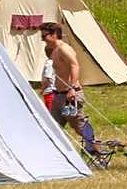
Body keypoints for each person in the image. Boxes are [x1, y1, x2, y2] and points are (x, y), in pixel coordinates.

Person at [41, 23, 100, 152]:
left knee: (79, 125)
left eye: (44, 36)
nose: (42, 39)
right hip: (58, 95)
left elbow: (75, 66)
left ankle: (96, 149)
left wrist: (72, 88)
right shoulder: (53, 50)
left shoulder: (64, 49)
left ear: (54, 35)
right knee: (53, 126)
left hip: (70, 95)